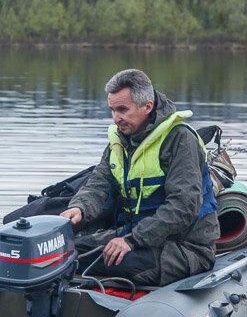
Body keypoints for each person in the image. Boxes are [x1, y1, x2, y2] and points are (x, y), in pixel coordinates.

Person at [60, 68, 219, 286]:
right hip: (135, 236)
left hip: (184, 246)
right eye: (113, 110)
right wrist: (79, 208)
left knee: (122, 263)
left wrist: (132, 240)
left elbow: (183, 207)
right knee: (65, 250)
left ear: (147, 107)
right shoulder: (120, 139)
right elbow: (99, 184)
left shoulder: (181, 140)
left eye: (123, 110)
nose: (116, 118)